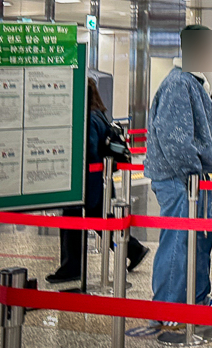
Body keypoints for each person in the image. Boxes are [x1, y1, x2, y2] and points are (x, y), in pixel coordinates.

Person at [144, 42, 212, 313]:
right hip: (180, 179)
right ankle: (168, 306)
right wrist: (190, 172)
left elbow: (209, 130)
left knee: (201, 237)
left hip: (192, 179)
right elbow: (173, 137)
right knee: (179, 241)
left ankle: (198, 297)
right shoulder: (178, 84)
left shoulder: (192, 83)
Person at [47, 78, 149, 283]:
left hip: (87, 184)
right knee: (104, 223)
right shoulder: (100, 115)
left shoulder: (89, 118)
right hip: (100, 182)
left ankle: (72, 267)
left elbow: (90, 150)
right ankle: (134, 249)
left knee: (72, 222)